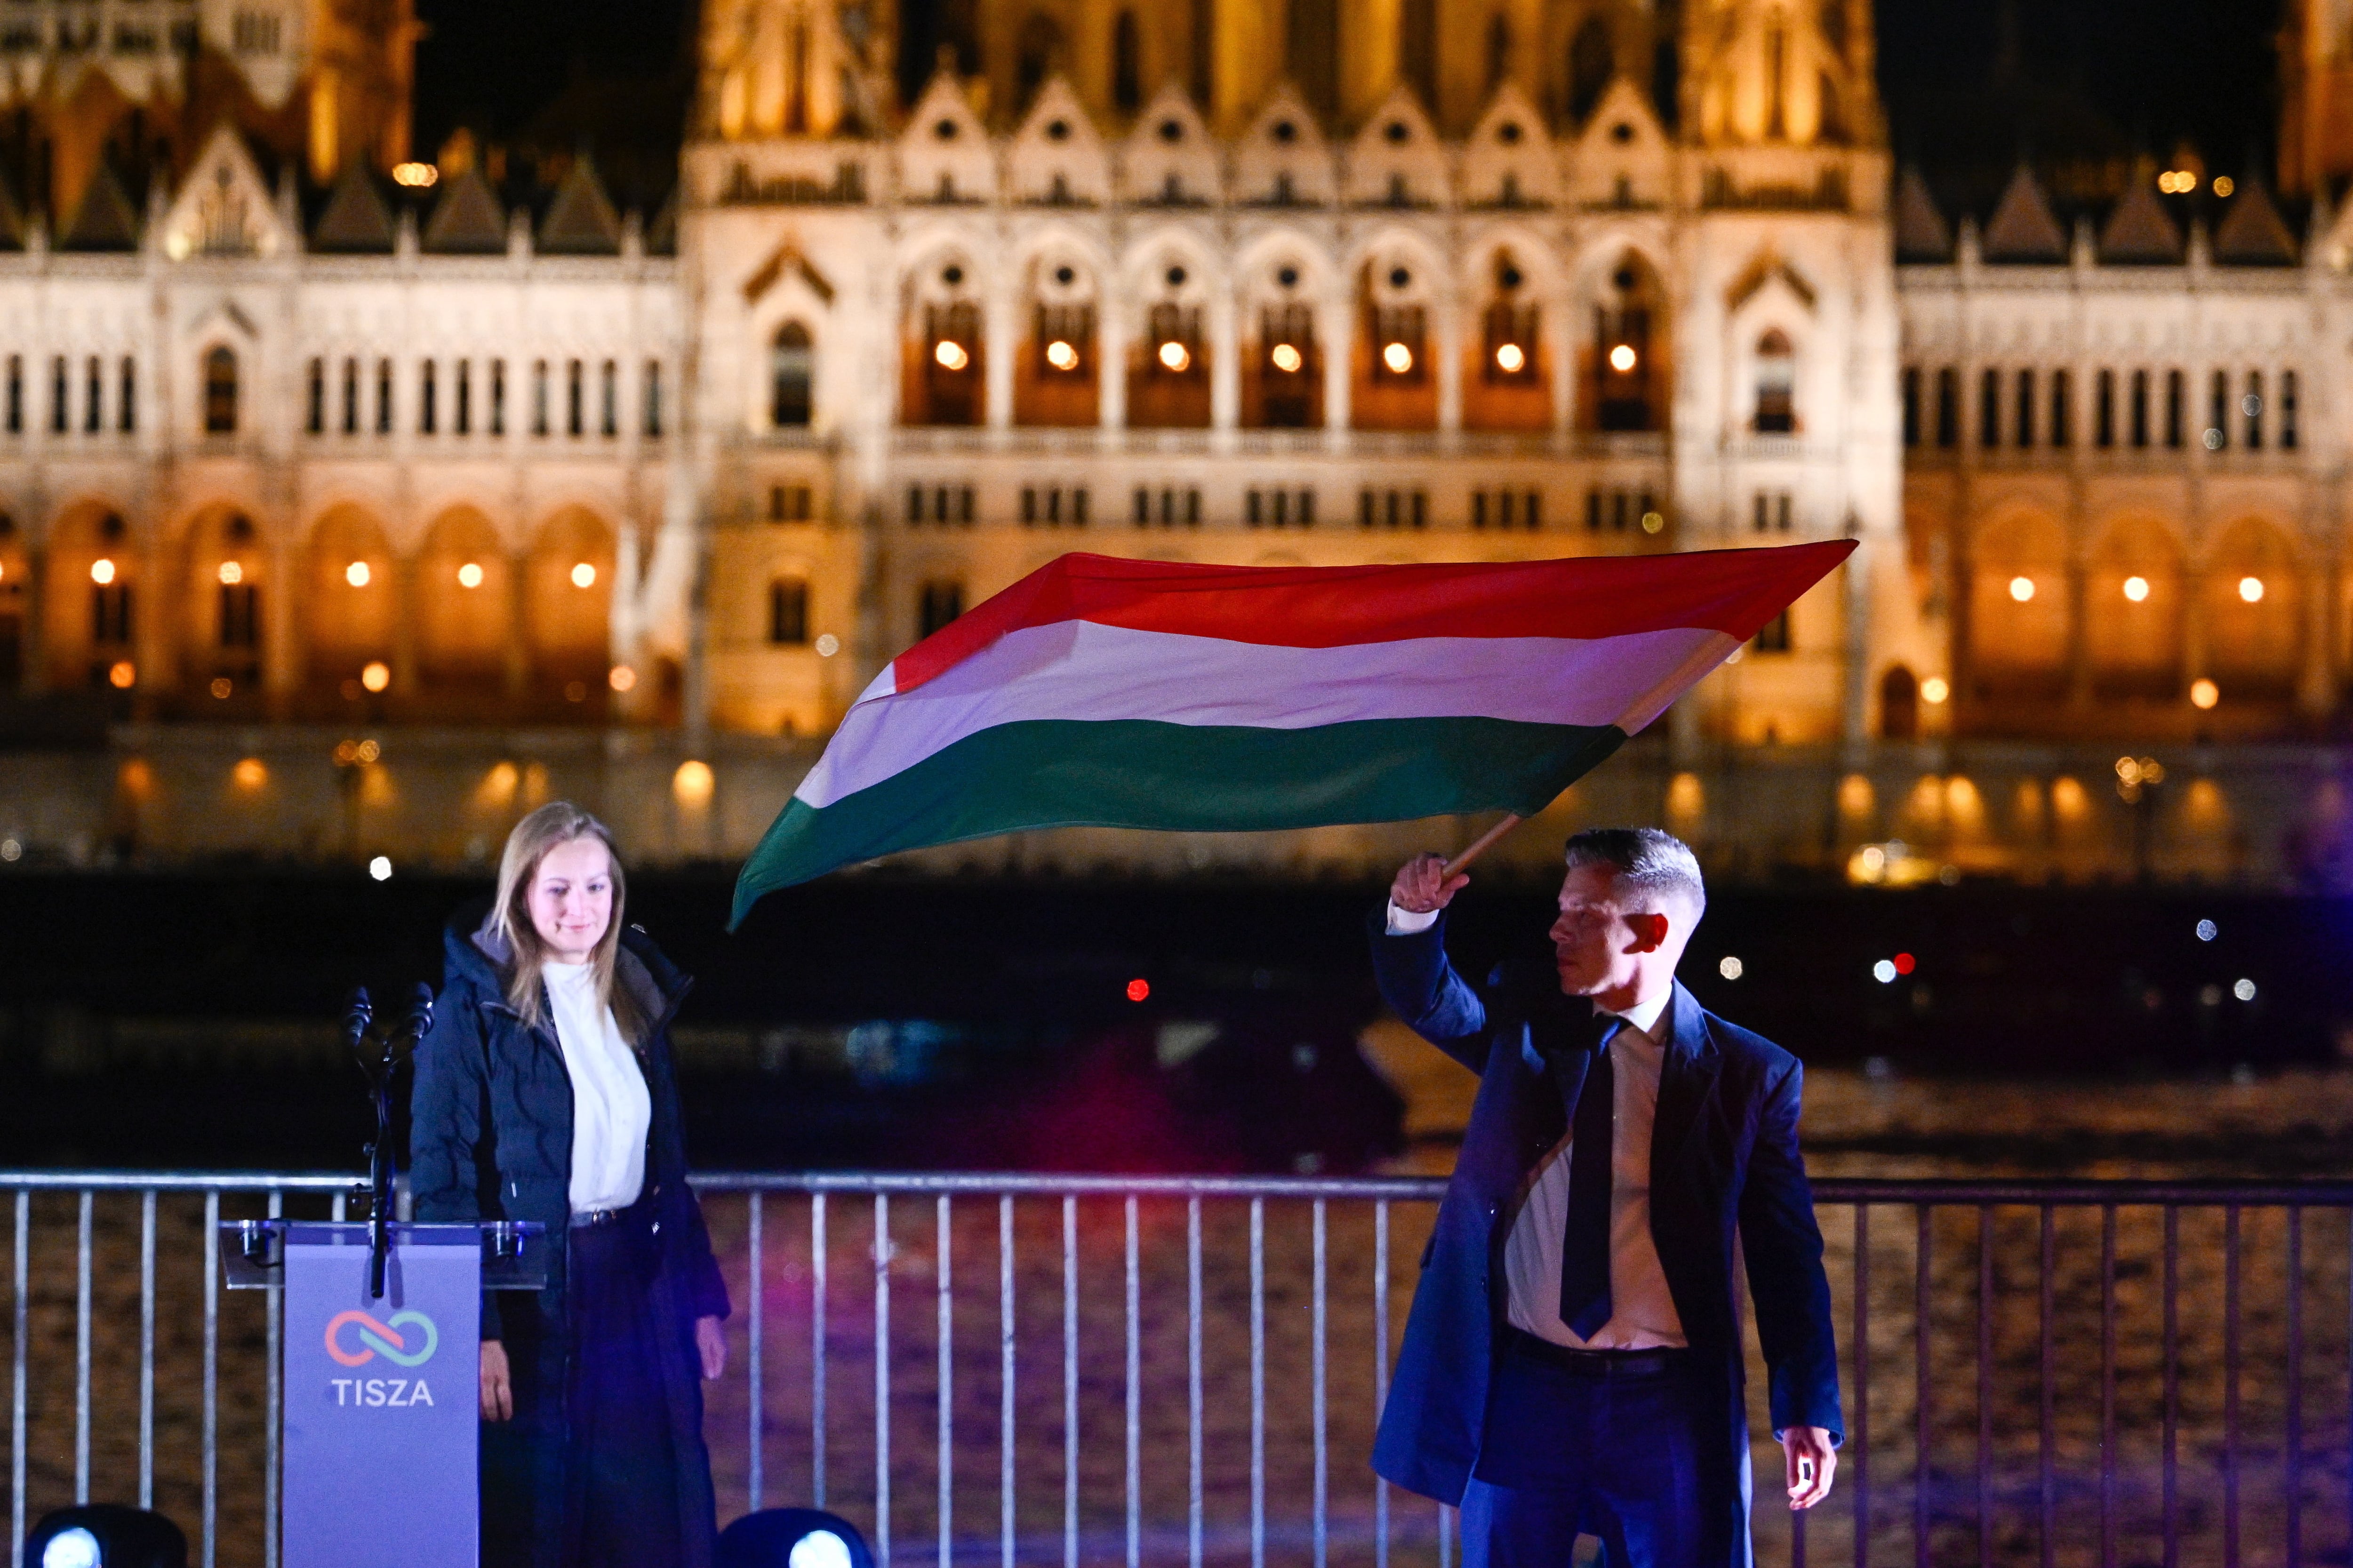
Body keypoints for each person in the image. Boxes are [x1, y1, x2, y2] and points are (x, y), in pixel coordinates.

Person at [1368, 827, 1840, 1568]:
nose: (1558, 927)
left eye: (1584, 913)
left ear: (1650, 930)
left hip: (1670, 1404)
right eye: (1562, 908)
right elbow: (1434, 1004)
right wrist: (1413, 916)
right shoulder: (1526, 1021)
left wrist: (1807, 1408)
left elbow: (1787, 1252)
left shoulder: (1751, 1073)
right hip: (1527, 1388)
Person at [411, 801, 732, 1568]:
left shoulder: (636, 999)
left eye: (596, 888)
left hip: (636, 1281)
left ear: (617, 896)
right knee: (544, 1516)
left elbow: (667, 1166)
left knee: (651, 1510)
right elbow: (443, 1179)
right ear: (520, 893)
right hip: (535, 1294)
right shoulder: (471, 1010)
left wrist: (701, 1302)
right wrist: (476, 1327)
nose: (579, 908)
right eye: (558, 889)